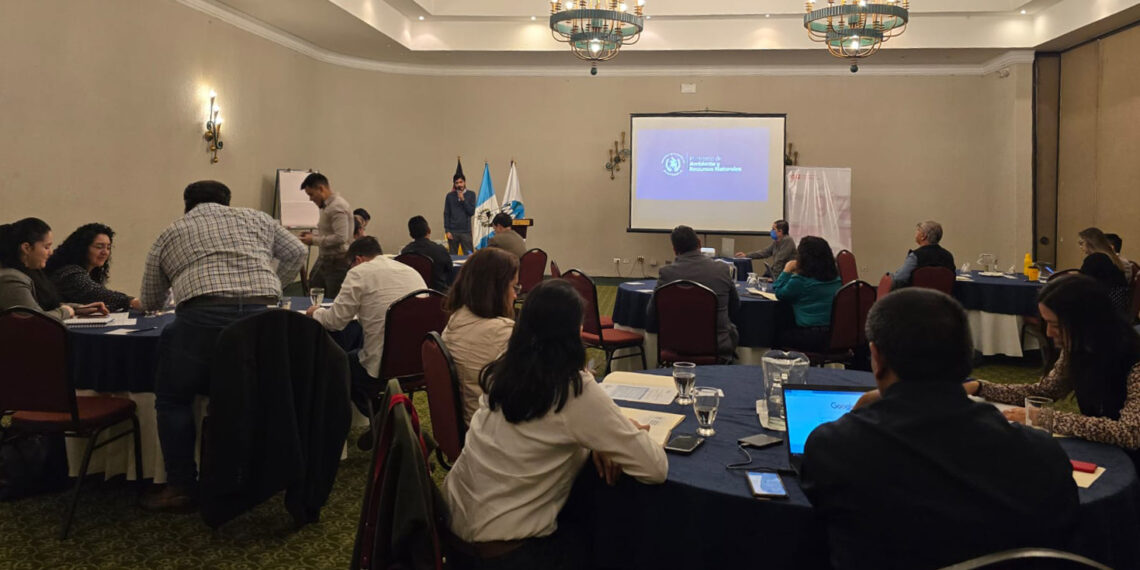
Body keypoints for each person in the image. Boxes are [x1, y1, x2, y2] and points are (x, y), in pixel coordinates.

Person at [801, 288, 1079, 569]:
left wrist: (854, 419)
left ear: (877, 357)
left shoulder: (834, 447)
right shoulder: (1042, 455)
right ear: (967, 357)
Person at [443, 279, 667, 569]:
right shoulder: (573, 389)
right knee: (611, 532)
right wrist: (615, 436)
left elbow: (546, 432)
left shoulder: (503, 370)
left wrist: (600, 439)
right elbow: (655, 467)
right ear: (575, 333)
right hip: (510, 556)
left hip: (453, 541)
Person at [140, 180, 306, 510]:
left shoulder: (171, 232)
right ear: (228, 202)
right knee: (269, 393)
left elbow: (150, 300)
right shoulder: (257, 218)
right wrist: (274, 282)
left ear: (186, 204)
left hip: (202, 318)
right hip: (262, 316)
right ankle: (272, 474)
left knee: (173, 399)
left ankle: (181, 486)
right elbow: (298, 252)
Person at [967, 274, 1140, 454]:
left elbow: (1130, 433)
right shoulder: (1078, 346)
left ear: (1086, 323)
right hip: (1102, 449)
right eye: (1046, 323)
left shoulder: (1134, 360)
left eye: (1056, 325)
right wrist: (980, 387)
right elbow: (1045, 391)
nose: (1049, 333)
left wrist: (1043, 418)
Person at [307, 236, 424, 442]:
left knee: (338, 366)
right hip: (419, 363)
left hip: (382, 366)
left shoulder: (359, 273)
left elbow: (335, 322)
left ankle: (388, 422)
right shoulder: (410, 271)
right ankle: (393, 422)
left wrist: (315, 312)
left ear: (358, 259)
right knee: (360, 351)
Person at [441, 247, 518, 423]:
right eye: (514, 287)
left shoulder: (456, 319)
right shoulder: (502, 332)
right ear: (497, 289)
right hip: (491, 427)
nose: (515, 295)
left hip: (467, 422)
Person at [651, 225, 739, 360]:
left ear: (674, 250)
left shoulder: (666, 273)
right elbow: (735, 306)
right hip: (717, 347)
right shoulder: (722, 269)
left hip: (675, 347)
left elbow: (652, 314)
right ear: (699, 244)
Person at [0, 218, 106, 321]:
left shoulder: (32, 272)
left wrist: (78, 308)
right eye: (46, 247)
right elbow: (34, 320)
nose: (50, 252)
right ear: (26, 248)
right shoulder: (11, 278)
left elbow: (45, 306)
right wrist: (65, 311)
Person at [46, 222, 141, 312]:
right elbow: (98, 293)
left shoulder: (90, 273)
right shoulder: (70, 273)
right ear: (82, 248)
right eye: (99, 247)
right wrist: (131, 301)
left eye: (108, 247)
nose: (105, 252)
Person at [772, 236, 842, 352]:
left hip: (811, 337)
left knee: (776, 331)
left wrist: (786, 270)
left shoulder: (800, 281)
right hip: (836, 336)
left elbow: (779, 293)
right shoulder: (837, 279)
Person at [298, 173, 353, 298]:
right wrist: (312, 235)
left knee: (331, 300)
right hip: (325, 260)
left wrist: (313, 240)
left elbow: (341, 237)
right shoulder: (327, 207)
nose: (310, 199)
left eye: (311, 194)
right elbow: (329, 232)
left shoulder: (337, 207)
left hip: (337, 263)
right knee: (314, 291)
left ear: (321, 189)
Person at [1077, 227, 1130, 313]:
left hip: (1103, 306)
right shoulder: (1112, 258)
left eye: (1081, 243)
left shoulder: (1095, 258)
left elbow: (1081, 282)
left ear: (1090, 243)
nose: (1080, 247)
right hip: (1117, 305)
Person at [890, 220, 955, 288]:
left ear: (923, 236)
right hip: (942, 294)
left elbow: (899, 278)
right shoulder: (948, 256)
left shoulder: (915, 256)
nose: (916, 233)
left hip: (917, 294)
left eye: (918, 230)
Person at [400, 215, 453, 292]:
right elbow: (450, 270)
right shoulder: (440, 250)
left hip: (413, 294)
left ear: (411, 234)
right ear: (429, 230)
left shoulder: (405, 252)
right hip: (438, 294)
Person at [443, 174, 476, 255]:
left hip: (466, 232)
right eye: (457, 183)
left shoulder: (471, 194)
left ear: (464, 182)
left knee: (469, 255)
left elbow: (471, 212)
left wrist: (463, 200)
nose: (459, 185)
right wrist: (447, 230)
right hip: (453, 232)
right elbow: (446, 214)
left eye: (461, 182)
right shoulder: (449, 196)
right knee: (453, 256)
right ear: (454, 184)